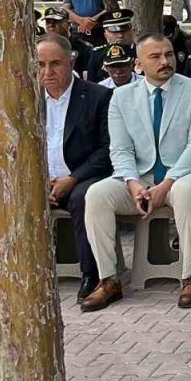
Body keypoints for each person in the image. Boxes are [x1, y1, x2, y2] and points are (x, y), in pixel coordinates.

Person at [81, 33, 191, 311]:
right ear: (139, 64)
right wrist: (132, 183)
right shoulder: (121, 97)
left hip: (188, 173)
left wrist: (166, 184)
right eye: (155, 56)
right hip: (141, 177)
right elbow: (120, 149)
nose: (165, 61)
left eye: (168, 54)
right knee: (96, 194)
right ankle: (108, 279)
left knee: (185, 191)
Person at [37, 35, 113, 302]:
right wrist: (38, 184)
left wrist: (71, 179)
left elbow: (107, 150)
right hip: (41, 180)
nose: (47, 72)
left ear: (71, 62)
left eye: (55, 63)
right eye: (40, 64)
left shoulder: (98, 96)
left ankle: (91, 275)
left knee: (84, 198)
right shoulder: (27, 98)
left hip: (83, 177)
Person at [82, 9, 136, 83]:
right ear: (105, 34)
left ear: (132, 31)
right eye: (114, 31)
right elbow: (91, 84)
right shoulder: (97, 54)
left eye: (124, 30)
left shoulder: (142, 52)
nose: (120, 35)